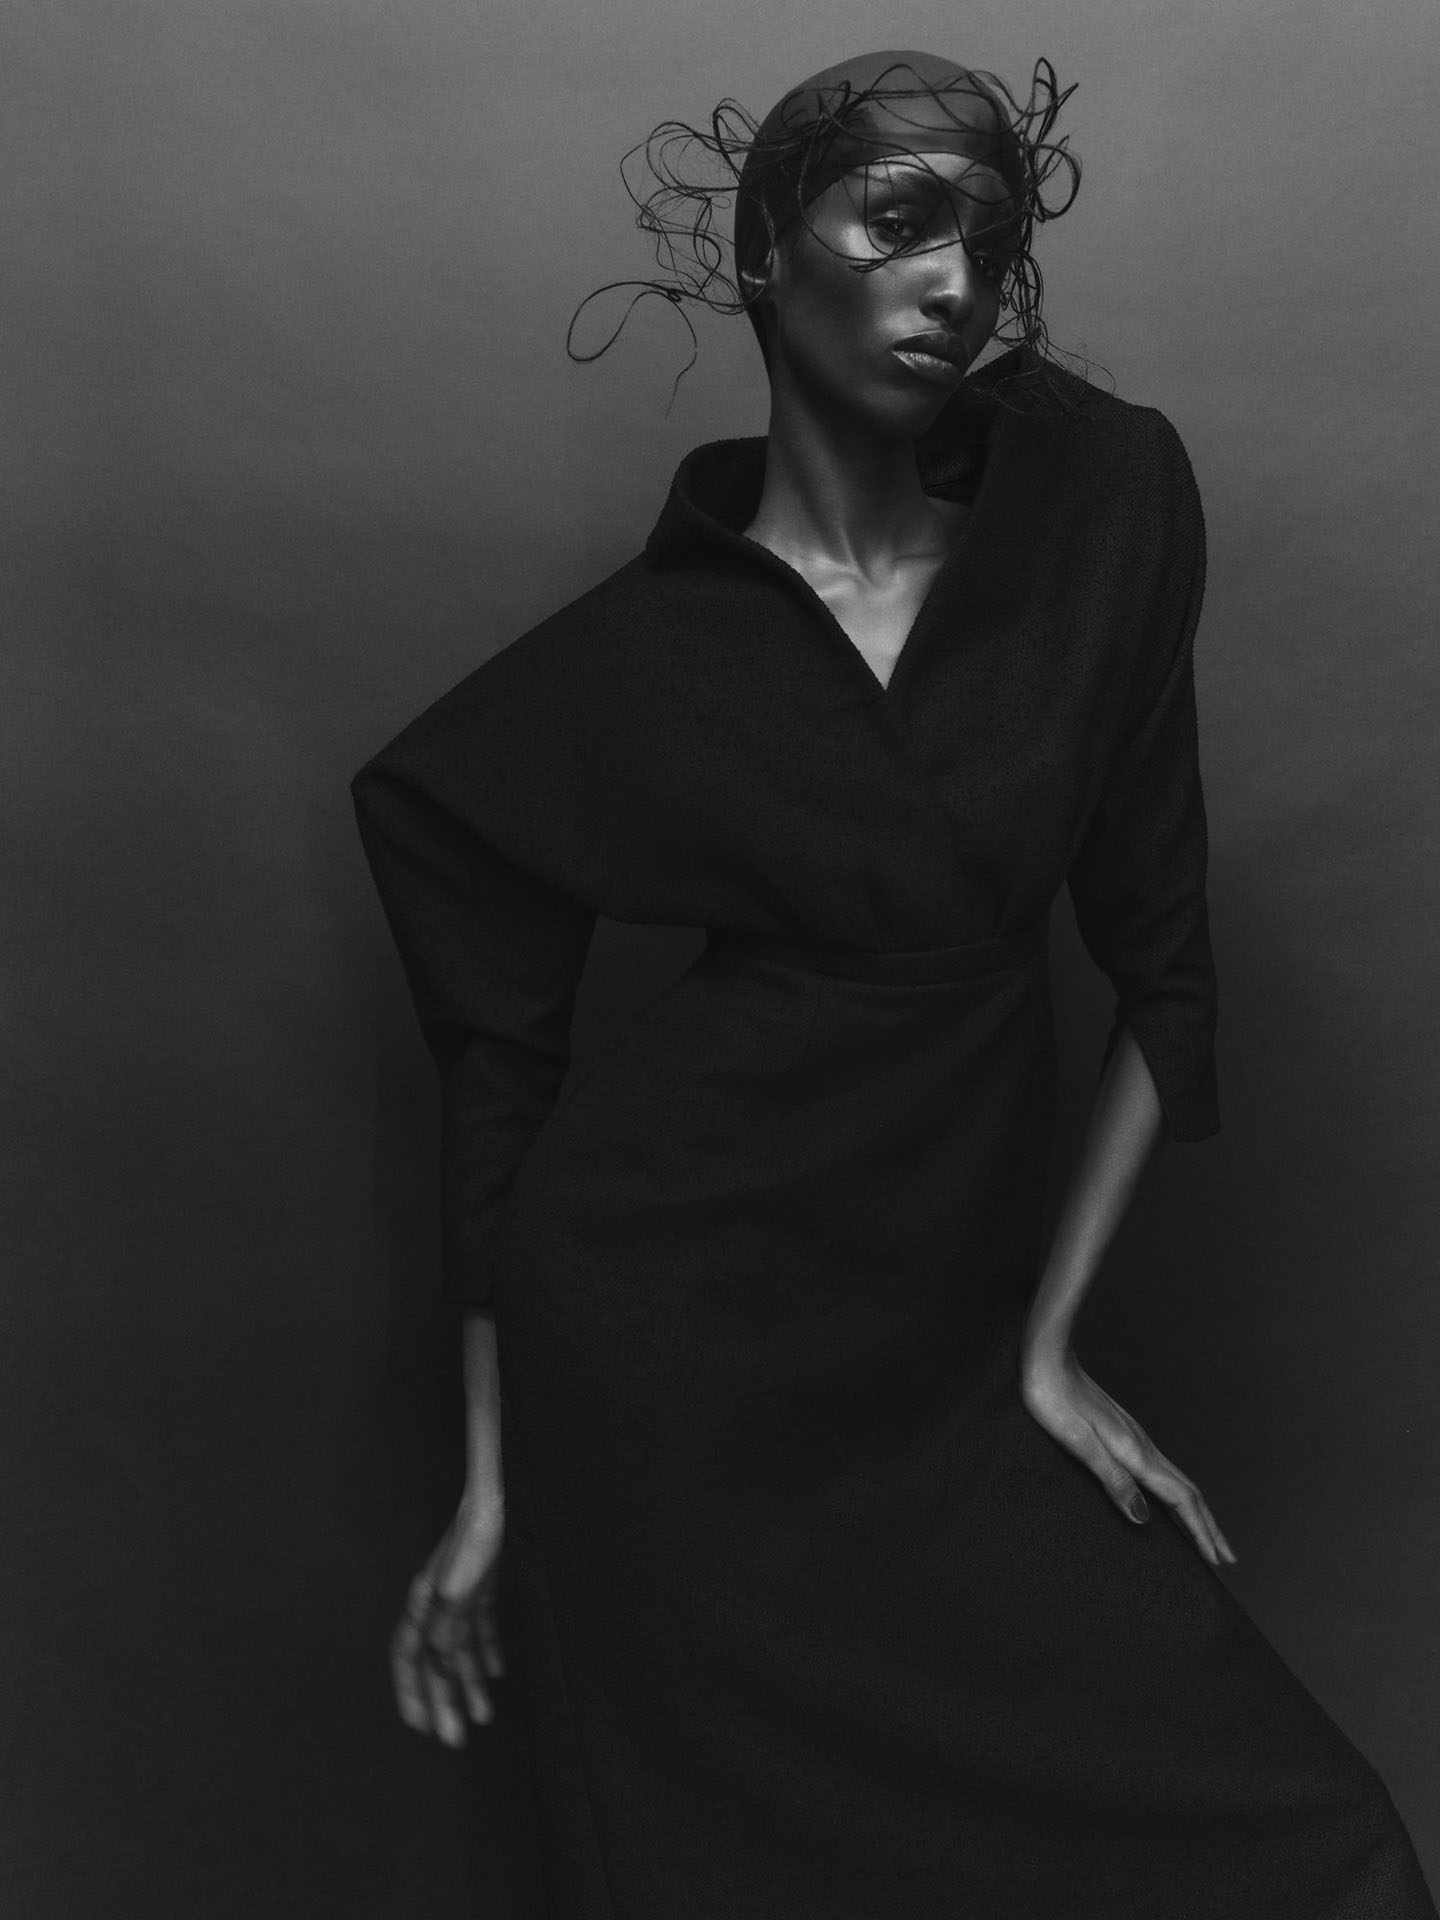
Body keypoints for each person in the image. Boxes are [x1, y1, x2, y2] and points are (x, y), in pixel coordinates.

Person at [351, 48, 1435, 1919]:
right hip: (664, 1384)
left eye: (992, 246)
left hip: (946, 1370)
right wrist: (496, 1480)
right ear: (767, 253)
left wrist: (1046, 1343)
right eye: (904, 221)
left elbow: (1165, 979)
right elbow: (496, 1072)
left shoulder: (1095, 518)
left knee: (1331, 1863)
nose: (957, 284)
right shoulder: (646, 656)